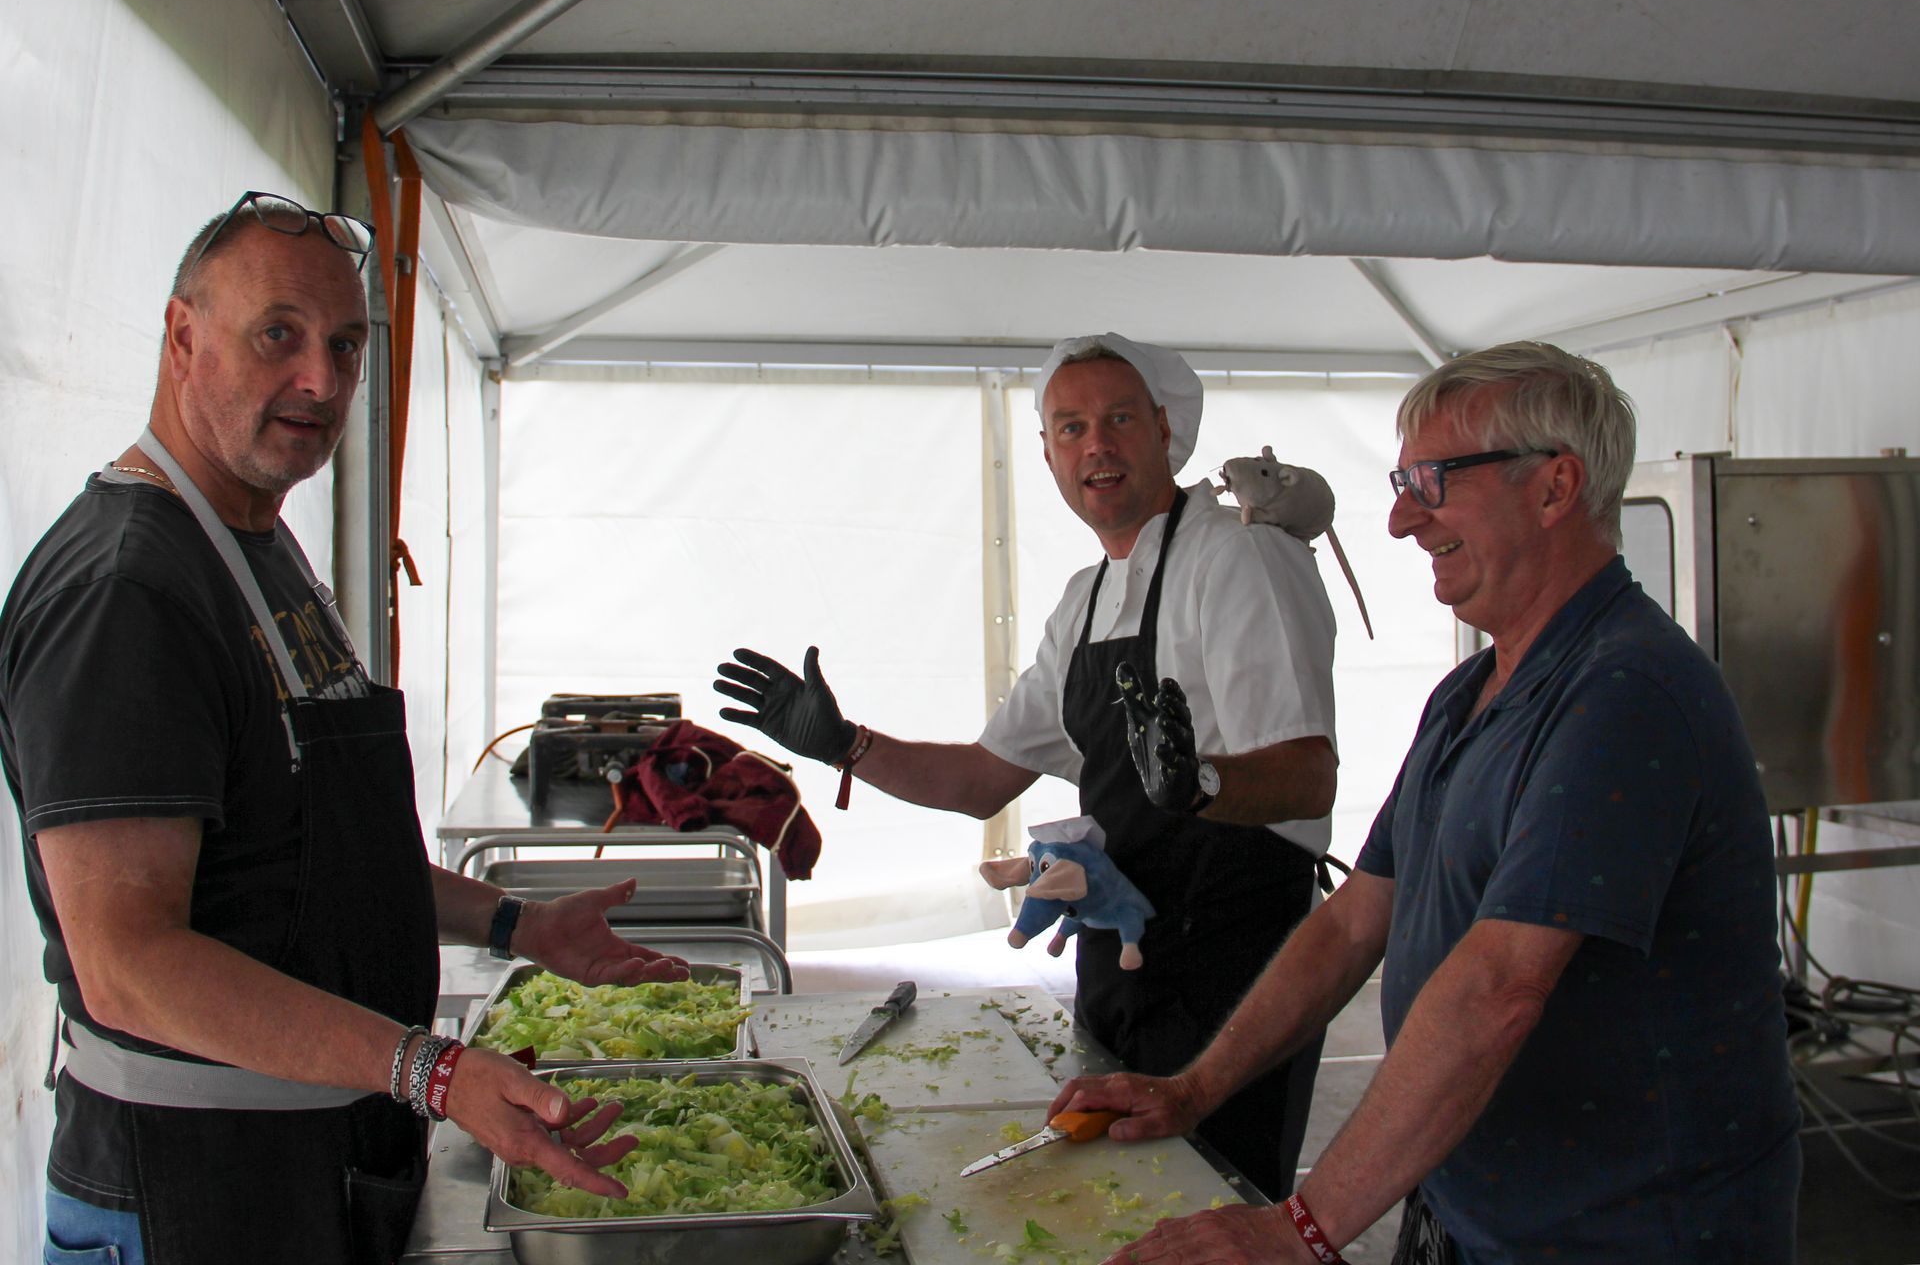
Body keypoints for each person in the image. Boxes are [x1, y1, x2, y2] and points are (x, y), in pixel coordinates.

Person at [0, 192, 689, 1265]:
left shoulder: (256, 544)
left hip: (313, 1165)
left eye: (346, 344)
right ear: (183, 337)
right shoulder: (128, 592)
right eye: (277, 334)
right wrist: (433, 1069)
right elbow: (128, 963)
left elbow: (314, 860)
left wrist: (519, 924)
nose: (322, 380)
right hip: (188, 1193)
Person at [1053, 341, 1801, 1265]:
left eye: (1433, 481)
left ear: (1555, 487)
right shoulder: (1469, 694)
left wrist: (1300, 1228)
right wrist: (1194, 1089)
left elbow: (1498, 989)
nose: (1403, 518)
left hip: (1621, 1230)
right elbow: (1354, 920)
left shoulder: (1625, 692)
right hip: (1468, 1206)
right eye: (1402, 482)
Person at [715, 334, 1340, 1198]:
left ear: (1165, 430)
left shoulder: (1239, 556)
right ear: (1048, 454)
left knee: (1217, 1210)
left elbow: (1308, 776)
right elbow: (983, 780)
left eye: (1120, 419)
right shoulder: (1085, 598)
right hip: (1123, 962)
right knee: (1122, 1206)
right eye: (1071, 427)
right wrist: (844, 744)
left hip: (1236, 971)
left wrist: (1199, 783)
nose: (1097, 445)